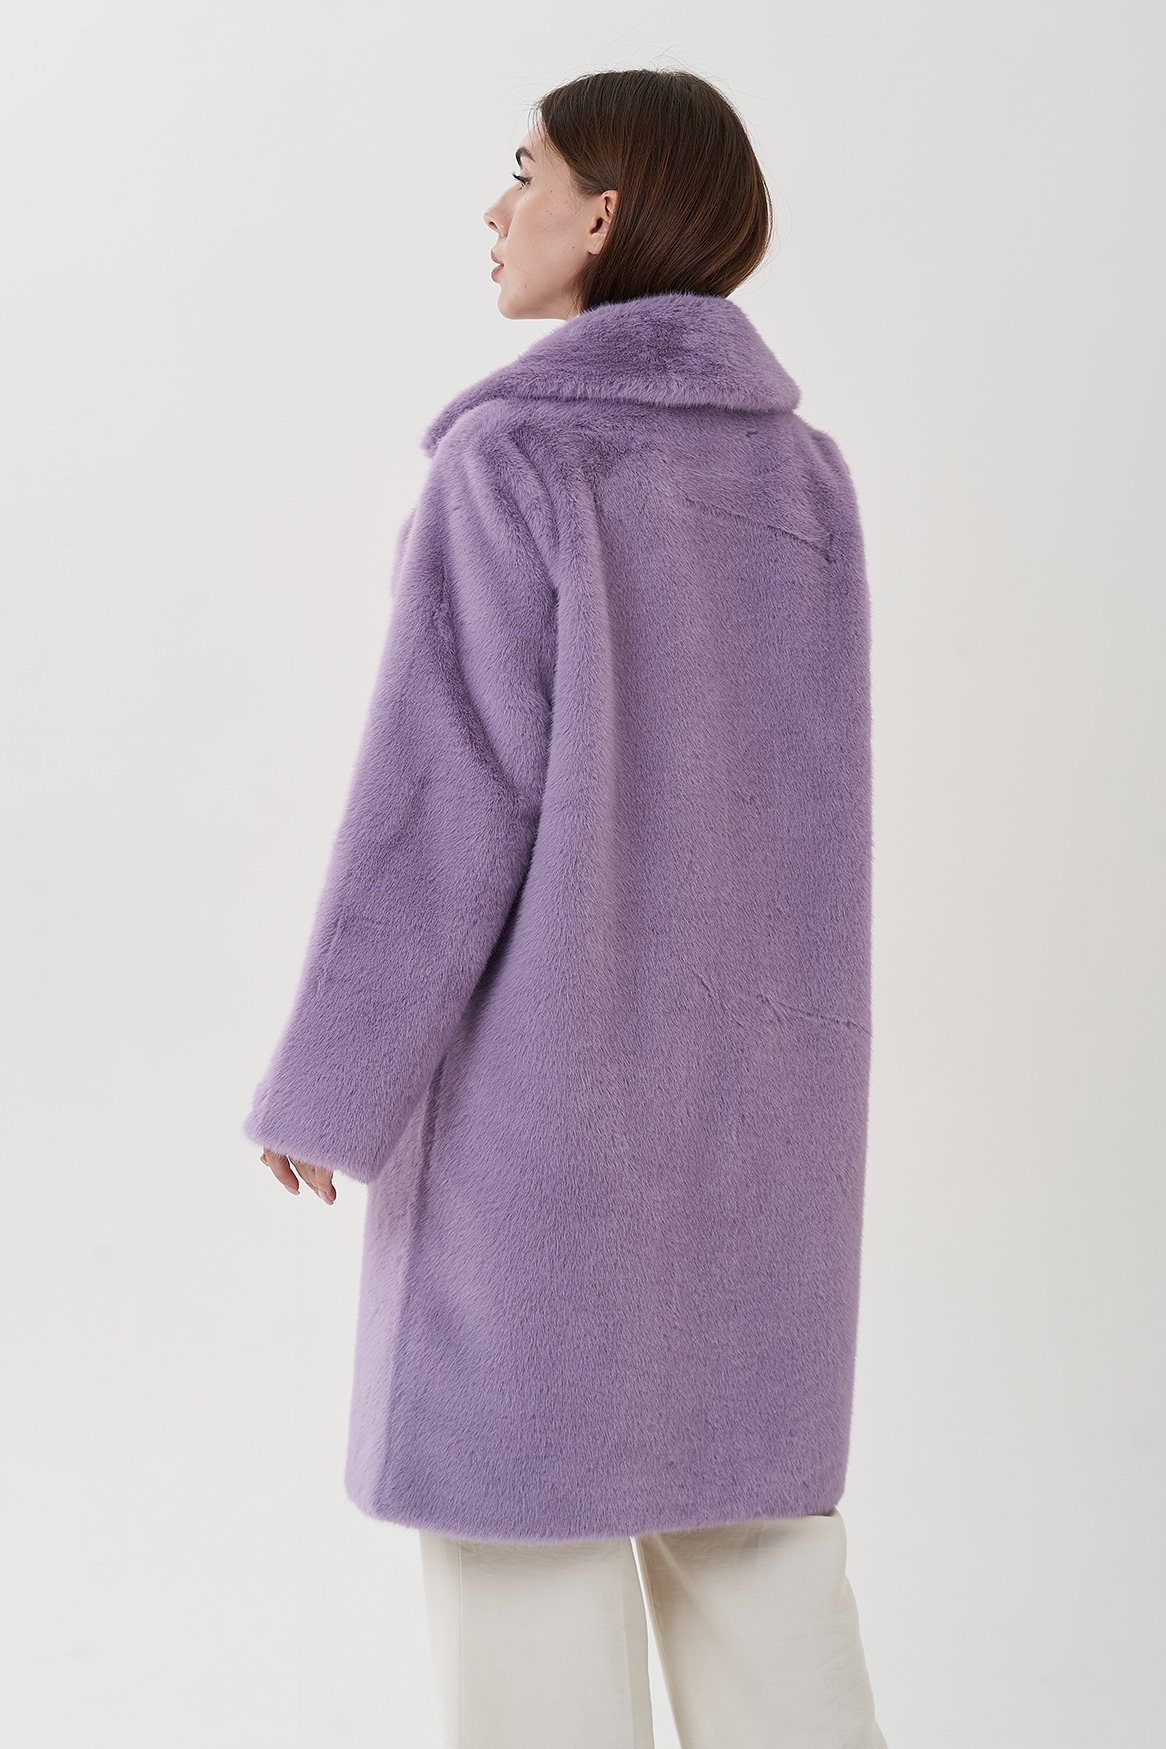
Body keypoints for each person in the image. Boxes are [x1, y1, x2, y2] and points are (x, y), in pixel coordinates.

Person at [245, 66, 888, 1749]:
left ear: (599, 215)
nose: (495, 205)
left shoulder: (518, 461)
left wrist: (331, 1079)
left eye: (522, 171)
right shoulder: (803, 481)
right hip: (763, 1119)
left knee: (522, 1553)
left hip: (552, 1121)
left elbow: (439, 800)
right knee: (758, 1556)